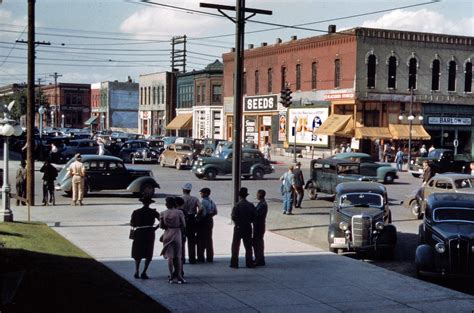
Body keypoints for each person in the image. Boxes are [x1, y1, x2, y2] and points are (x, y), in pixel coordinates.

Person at [130, 195, 160, 280]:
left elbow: (132, 224)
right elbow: (162, 220)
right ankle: (144, 271)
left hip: (139, 232)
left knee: (137, 251)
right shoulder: (153, 212)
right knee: (148, 251)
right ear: (149, 203)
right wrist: (155, 228)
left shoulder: (136, 212)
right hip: (149, 232)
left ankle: (136, 270)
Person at [160, 197, 186, 284]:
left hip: (167, 233)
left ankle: (171, 277)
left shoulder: (163, 213)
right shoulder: (179, 212)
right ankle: (179, 276)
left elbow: (161, 226)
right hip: (177, 232)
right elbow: (184, 224)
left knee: (170, 257)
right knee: (178, 256)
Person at [230, 187, 256, 268]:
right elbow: (254, 216)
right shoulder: (250, 205)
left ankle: (234, 263)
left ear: (240, 196)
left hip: (238, 227)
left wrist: (237, 222)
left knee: (235, 245)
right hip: (247, 226)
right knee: (248, 246)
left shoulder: (237, 205)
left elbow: (233, 216)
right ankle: (249, 262)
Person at [181, 183, 201, 264]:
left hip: (183, 219)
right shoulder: (195, 199)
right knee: (192, 240)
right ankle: (192, 258)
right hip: (192, 219)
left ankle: (182, 258)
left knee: (182, 240)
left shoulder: (180, 199)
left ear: (183, 190)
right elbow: (201, 208)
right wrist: (197, 216)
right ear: (190, 190)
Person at [196, 187, 217, 263]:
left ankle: (200, 257)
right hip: (210, 221)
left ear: (206, 194)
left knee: (201, 239)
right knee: (209, 239)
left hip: (203, 221)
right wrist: (210, 215)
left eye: (202, 193)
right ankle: (210, 257)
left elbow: (201, 211)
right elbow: (215, 211)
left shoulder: (203, 201)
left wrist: (198, 217)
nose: (201, 194)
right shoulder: (211, 201)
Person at [253, 189, 268, 266]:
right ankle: (258, 258)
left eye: (257, 194)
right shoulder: (261, 203)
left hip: (259, 225)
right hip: (258, 225)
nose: (256, 196)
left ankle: (259, 259)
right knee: (257, 242)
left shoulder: (262, 205)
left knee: (258, 242)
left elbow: (256, 214)